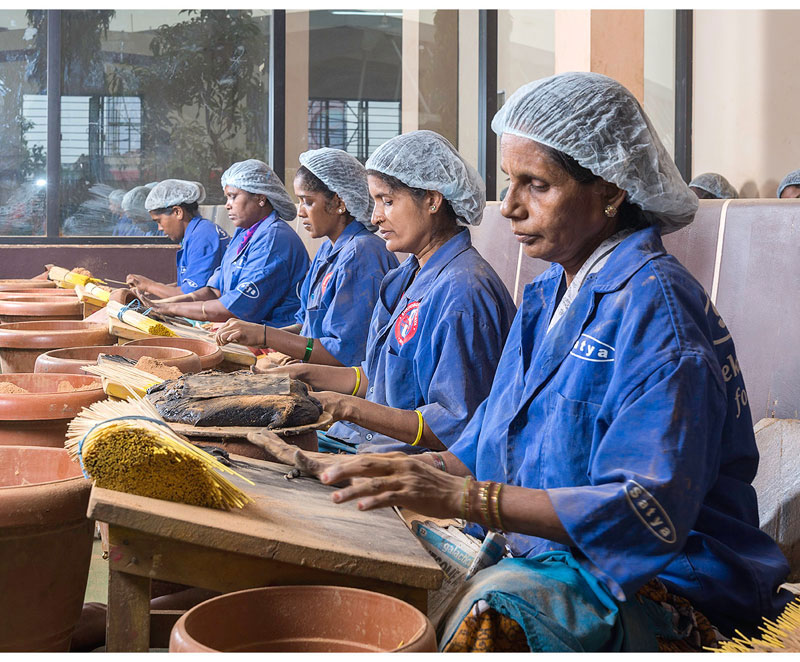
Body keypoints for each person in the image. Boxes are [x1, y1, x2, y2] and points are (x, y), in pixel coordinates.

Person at [261, 73, 792, 652]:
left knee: (493, 611)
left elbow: (644, 511)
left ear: (610, 190)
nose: (509, 207)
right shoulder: (544, 298)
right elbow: (488, 440)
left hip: (666, 577)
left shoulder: (657, 313)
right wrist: (399, 475)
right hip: (548, 551)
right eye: (509, 183)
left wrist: (469, 500)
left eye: (535, 184)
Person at [264, 131, 516, 454]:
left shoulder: (463, 294)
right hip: (362, 443)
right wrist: (303, 374)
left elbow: (453, 429)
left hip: (407, 470)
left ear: (432, 199)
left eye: (387, 201)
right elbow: (374, 377)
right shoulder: (405, 278)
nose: (374, 216)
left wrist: (348, 407)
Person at [214, 148, 398, 367]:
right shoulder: (326, 252)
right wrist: (258, 340)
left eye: (307, 202)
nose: (300, 212)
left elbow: (342, 354)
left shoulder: (362, 255)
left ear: (339, 203)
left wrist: (266, 336)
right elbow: (305, 325)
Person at [138, 160, 309, 325]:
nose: (227, 205)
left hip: (275, 336)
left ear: (260, 198)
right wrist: (161, 305)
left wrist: (170, 307)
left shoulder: (273, 240)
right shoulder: (244, 234)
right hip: (246, 330)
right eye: (227, 198)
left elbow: (234, 307)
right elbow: (214, 291)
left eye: (233, 197)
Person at [125, 179, 230, 299]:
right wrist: (160, 288)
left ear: (177, 212)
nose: (159, 228)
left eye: (159, 221)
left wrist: (150, 286)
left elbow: (192, 296)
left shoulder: (203, 236)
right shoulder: (194, 234)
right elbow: (194, 282)